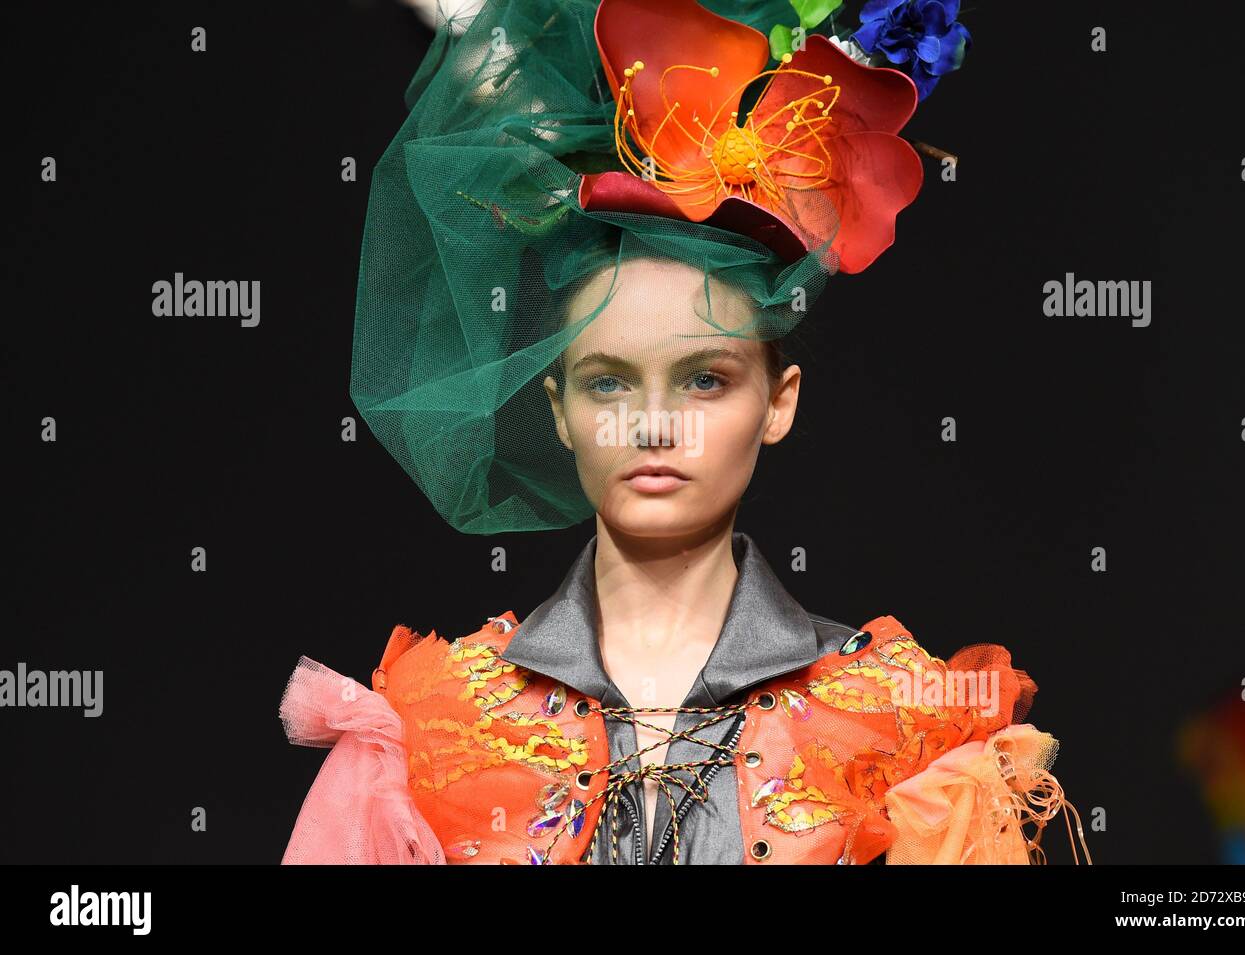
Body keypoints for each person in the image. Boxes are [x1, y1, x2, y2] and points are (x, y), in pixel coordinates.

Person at [279, 0, 1090, 865]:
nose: (655, 424)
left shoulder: (905, 723)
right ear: (557, 408)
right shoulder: (432, 722)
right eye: (608, 382)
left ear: (779, 402)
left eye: (705, 378)